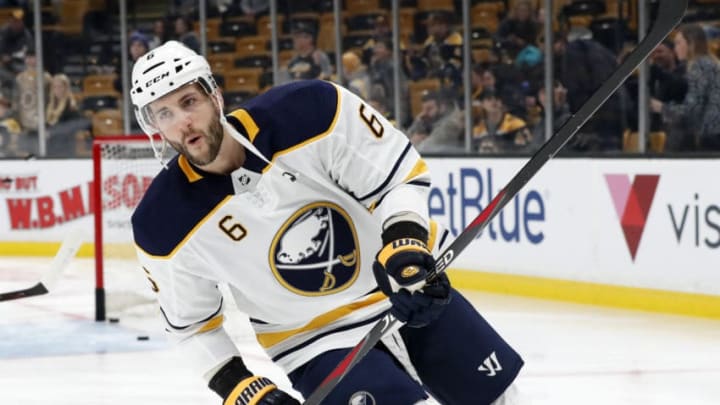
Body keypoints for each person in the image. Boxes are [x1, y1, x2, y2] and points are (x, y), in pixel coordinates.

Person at [129, 41, 523, 405]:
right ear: (155, 127)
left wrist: (407, 244)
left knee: (505, 399)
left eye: (189, 101)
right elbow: (192, 327)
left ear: (214, 95)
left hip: (401, 286)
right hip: (313, 341)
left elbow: (396, 178)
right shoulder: (162, 223)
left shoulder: (310, 110)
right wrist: (240, 387)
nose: (183, 122)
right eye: (165, 113)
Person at [651, 24, 720, 151]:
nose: (675, 48)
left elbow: (691, 112)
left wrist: (661, 107)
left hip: (710, 140)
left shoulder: (701, 66)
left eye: (678, 43)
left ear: (691, 43)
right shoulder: (708, 63)